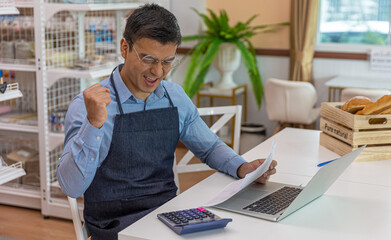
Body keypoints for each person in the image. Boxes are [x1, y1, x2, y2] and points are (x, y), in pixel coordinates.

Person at [57, 4, 277, 240]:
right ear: (124, 48)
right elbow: (72, 187)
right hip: (114, 226)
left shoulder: (174, 97)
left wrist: (243, 167)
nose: (157, 71)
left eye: (167, 61)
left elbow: (210, 147)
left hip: (167, 217)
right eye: (148, 59)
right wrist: (94, 124)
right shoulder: (88, 105)